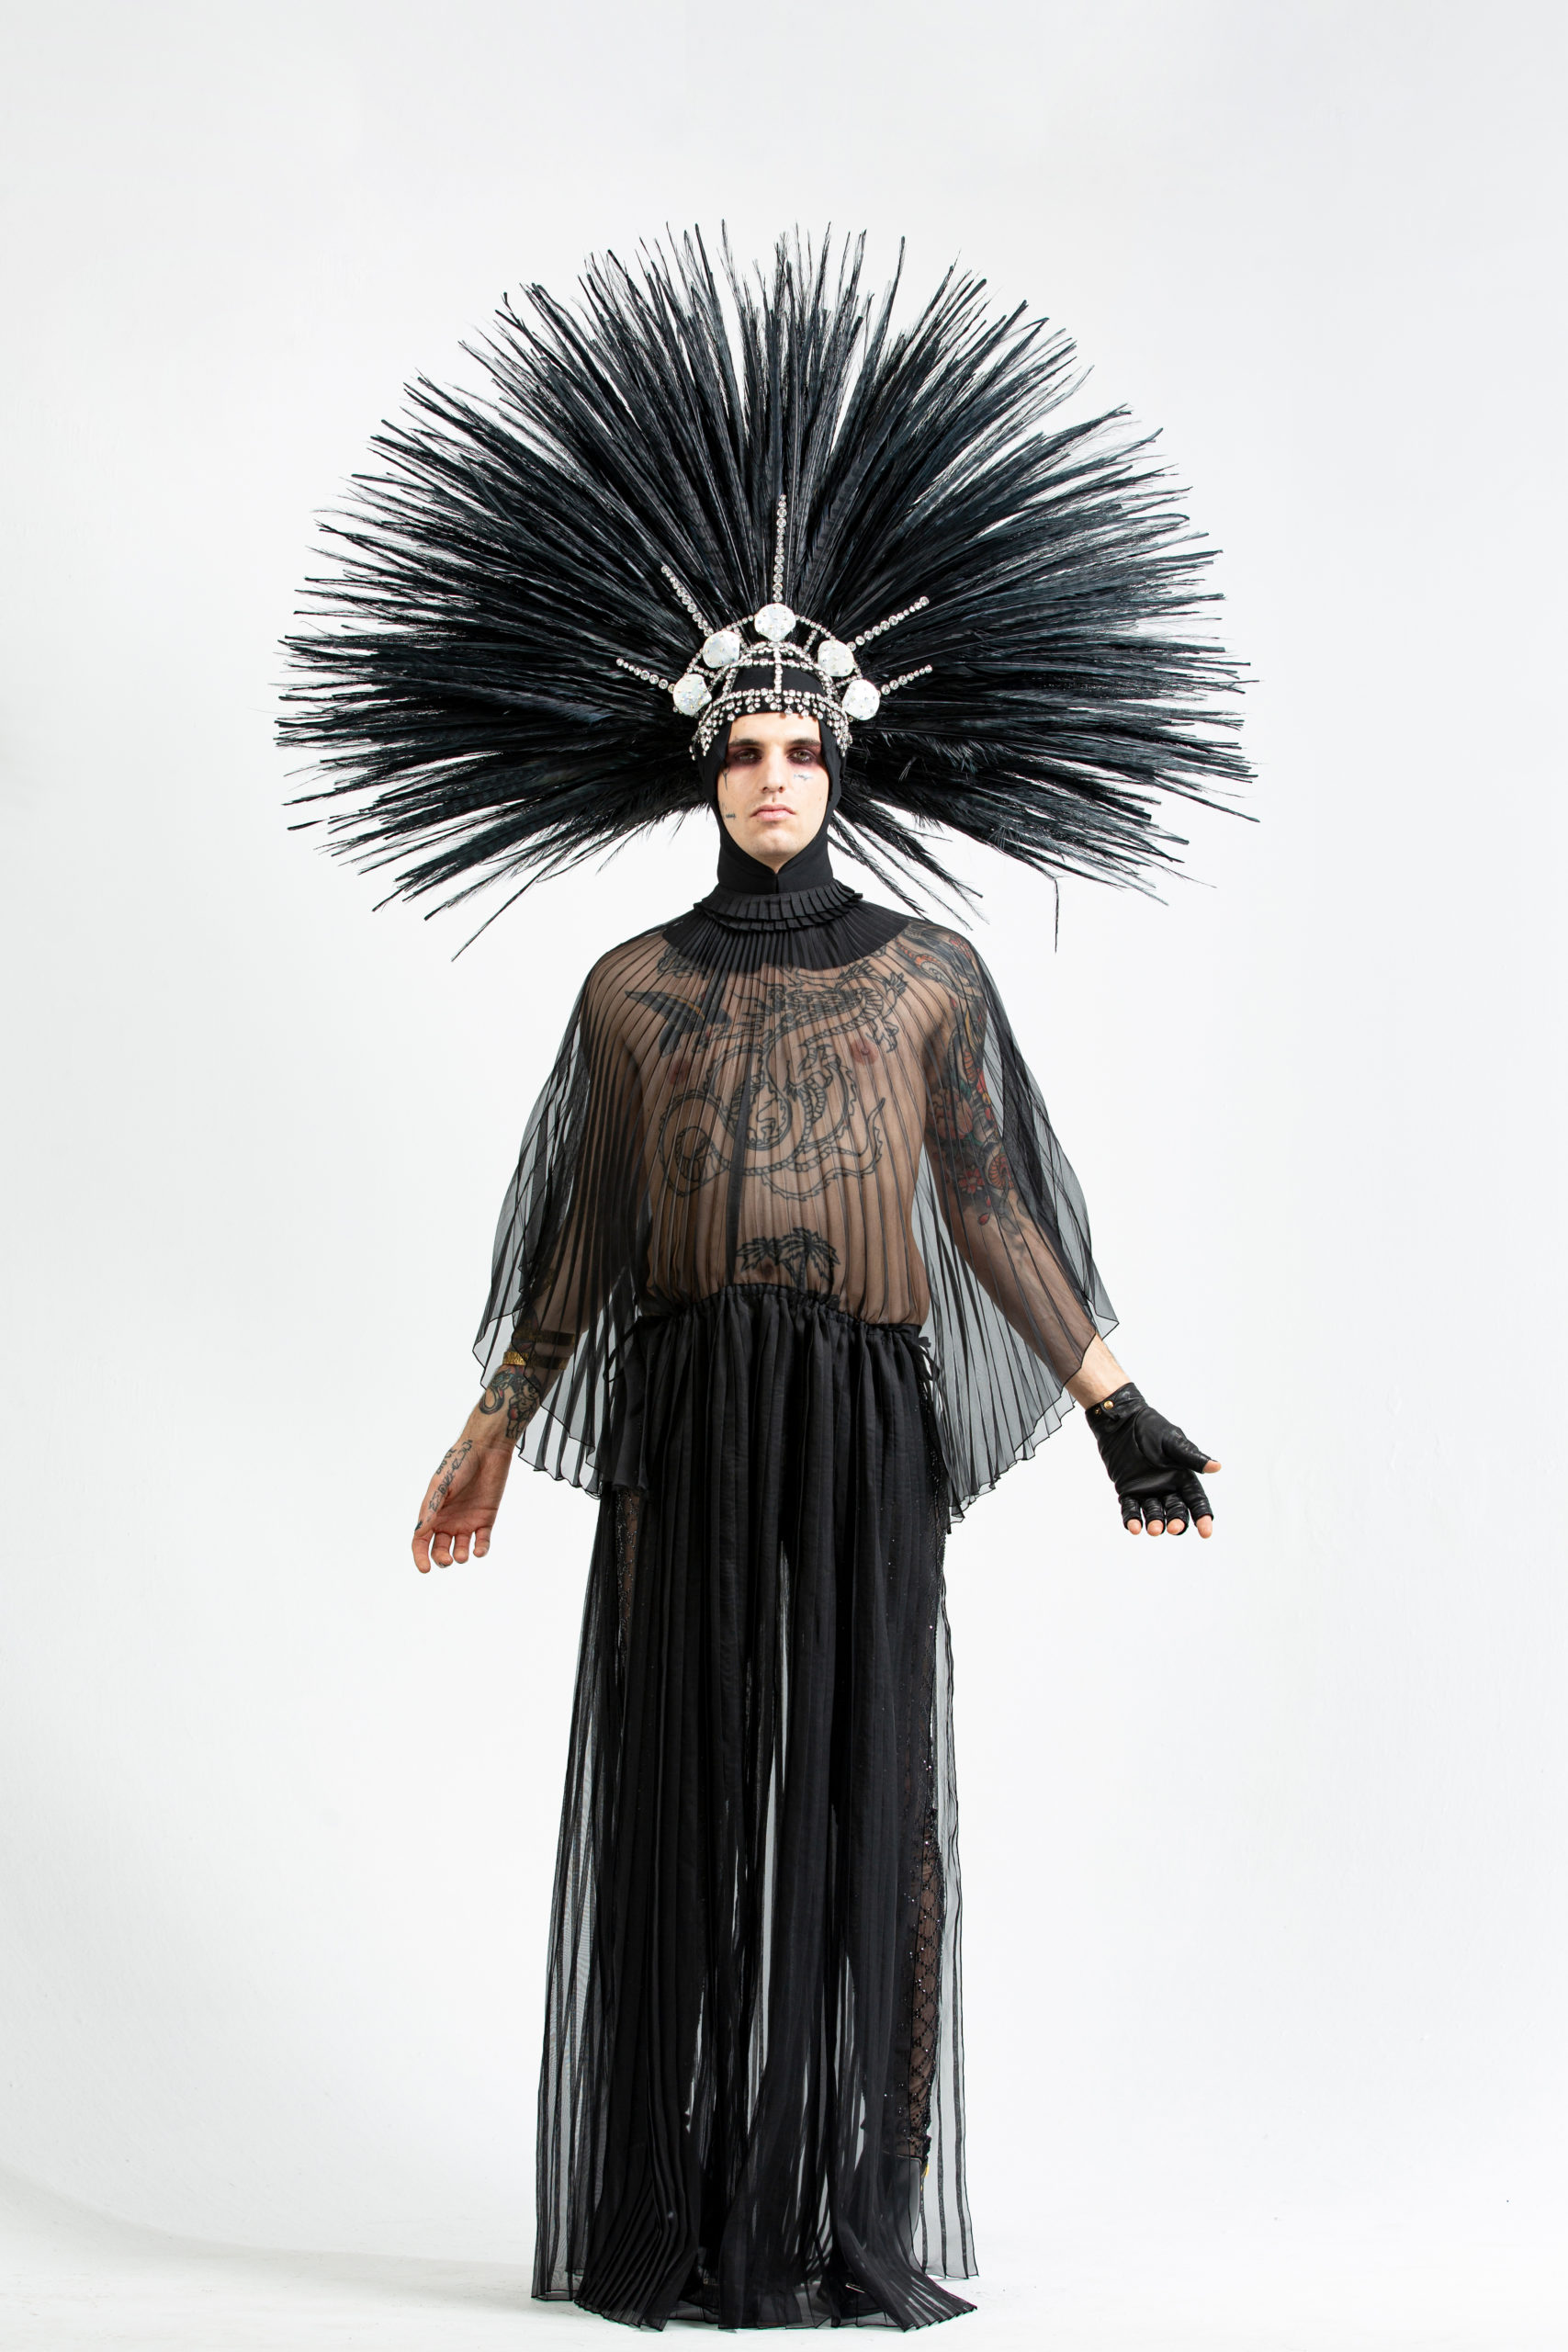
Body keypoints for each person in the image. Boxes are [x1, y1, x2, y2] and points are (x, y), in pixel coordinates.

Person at [283, 233, 1244, 2331]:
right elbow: (583, 1237)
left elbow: (988, 1203)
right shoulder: (629, 991)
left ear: (846, 761)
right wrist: (488, 1427)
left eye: (803, 748)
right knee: (690, 1785)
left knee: (869, 1788)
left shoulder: (927, 978)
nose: (775, 777)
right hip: (693, 1411)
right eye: (744, 750)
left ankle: (852, 2207)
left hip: (865, 1412)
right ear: (701, 769)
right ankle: (686, 2208)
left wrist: (1114, 1400)